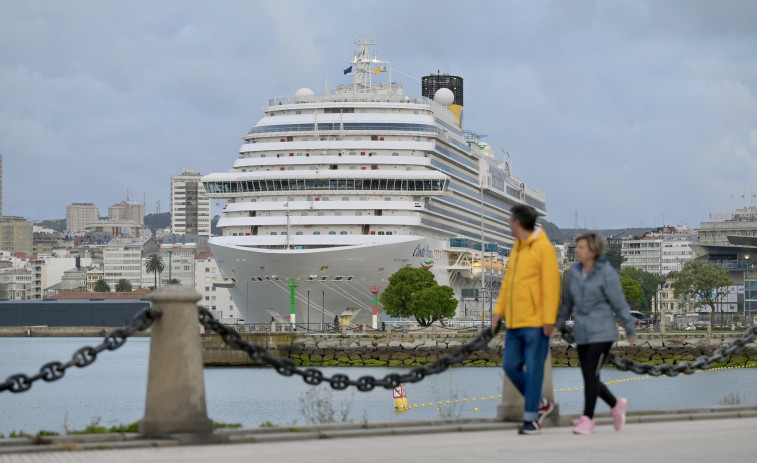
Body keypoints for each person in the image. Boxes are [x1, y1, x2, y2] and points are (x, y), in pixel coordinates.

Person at [556, 232, 637, 435]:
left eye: (581, 247)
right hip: (582, 332)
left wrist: (629, 328)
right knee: (588, 374)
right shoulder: (574, 272)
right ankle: (616, 404)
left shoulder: (606, 273)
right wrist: (557, 323)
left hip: (603, 332)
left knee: (590, 373)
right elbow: (567, 303)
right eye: (576, 247)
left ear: (593, 250)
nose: (577, 251)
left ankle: (587, 419)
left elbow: (619, 302)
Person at [492, 205, 561, 435]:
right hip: (514, 322)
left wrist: (549, 319)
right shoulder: (517, 249)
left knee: (533, 371)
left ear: (518, 222)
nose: (508, 224)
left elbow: (551, 287)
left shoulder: (544, 248)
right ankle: (541, 402)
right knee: (510, 366)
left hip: (536, 322)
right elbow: (507, 285)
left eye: (510, 220)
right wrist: (498, 312)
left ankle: (532, 420)